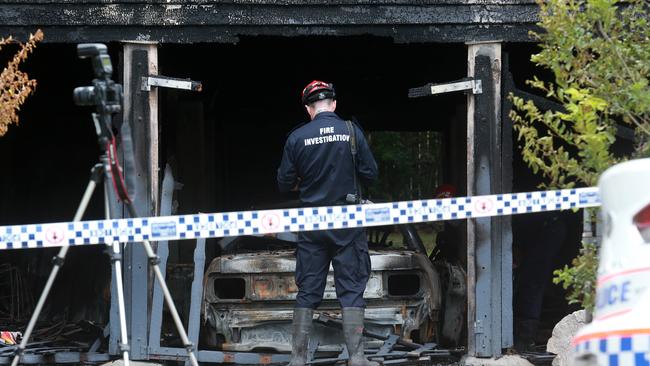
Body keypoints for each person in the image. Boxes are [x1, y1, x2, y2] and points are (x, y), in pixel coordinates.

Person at [277, 80, 378, 366]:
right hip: (347, 223)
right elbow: (370, 173)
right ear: (333, 104)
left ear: (309, 108)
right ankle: (357, 359)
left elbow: (283, 183)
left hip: (312, 224)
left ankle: (298, 359)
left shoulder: (297, 137)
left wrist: (305, 181)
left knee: (308, 289)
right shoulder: (351, 131)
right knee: (351, 289)